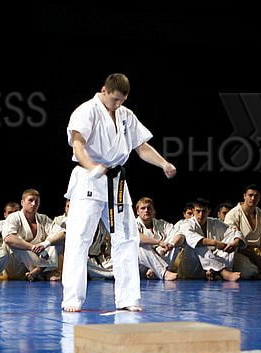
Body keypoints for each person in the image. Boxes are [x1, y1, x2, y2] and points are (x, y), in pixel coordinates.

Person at [61, 73, 176, 312]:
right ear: (103, 90)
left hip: (116, 182)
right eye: (115, 99)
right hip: (89, 178)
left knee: (127, 239)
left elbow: (141, 147)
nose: (118, 104)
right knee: (79, 238)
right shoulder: (86, 111)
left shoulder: (126, 115)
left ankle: (128, 299)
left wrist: (163, 163)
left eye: (122, 100)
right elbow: (78, 144)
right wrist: (92, 167)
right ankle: (72, 298)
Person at [3, 189, 65, 281]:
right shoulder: (14, 217)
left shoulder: (43, 218)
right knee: (15, 242)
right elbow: (8, 238)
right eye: (30, 200)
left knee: (55, 240)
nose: (34, 204)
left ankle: (39, 270)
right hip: (17, 265)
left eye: (37, 201)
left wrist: (45, 244)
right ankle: (43, 270)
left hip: (37, 261)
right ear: (22, 202)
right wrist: (32, 247)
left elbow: (63, 233)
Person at [179, 198, 242, 281]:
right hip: (192, 268)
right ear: (193, 211)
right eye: (198, 211)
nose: (201, 215)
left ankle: (214, 271)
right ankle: (222, 272)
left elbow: (234, 232)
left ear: (209, 211)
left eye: (204, 211)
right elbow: (193, 239)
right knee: (198, 244)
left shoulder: (214, 223)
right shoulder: (186, 224)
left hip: (210, 267)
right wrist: (215, 243)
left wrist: (235, 242)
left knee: (231, 239)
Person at [135, 196, 182, 281]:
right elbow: (137, 237)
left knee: (175, 241)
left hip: (160, 261)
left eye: (149, 208)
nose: (146, 210)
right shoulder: (133, 224)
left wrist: (171, 245)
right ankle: (163, 273)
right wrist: (159, 242)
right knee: (140, 245)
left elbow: (180, 235)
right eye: (143, 208)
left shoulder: (161, 224)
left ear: (153, 211)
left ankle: (155, 271)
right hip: (138, 266)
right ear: (137, 211)